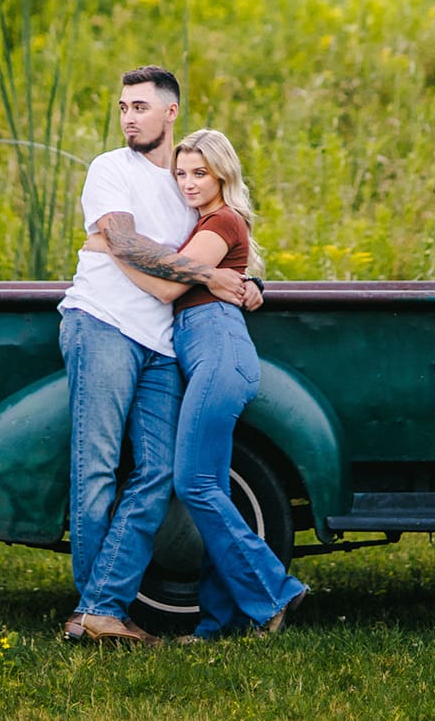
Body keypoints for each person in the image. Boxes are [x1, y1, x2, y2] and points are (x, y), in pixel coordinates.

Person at [57, 67, 256, 645]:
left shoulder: (187, 182)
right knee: (95, 469)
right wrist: (209, 275)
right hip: (103, 325)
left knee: (161, 471)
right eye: (122, 107)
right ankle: (94, 610)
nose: (128, 118)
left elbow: (221, 242)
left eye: (140, 107)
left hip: (162, 343)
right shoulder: (109, 169)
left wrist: (245, 280)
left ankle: (102, 607)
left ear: (171, 113)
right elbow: (121, 239)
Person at [90, 128, 308, 639]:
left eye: (199, 173)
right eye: (181, 173)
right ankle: (218, 621)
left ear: (222, 174)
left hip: (217, 350)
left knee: (195, 483)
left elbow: (168, 286)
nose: (188, 183)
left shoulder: (221, 220)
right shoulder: (203, 223)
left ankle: (275, 593)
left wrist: (113, 250)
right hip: (205, 350)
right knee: (212, 489)